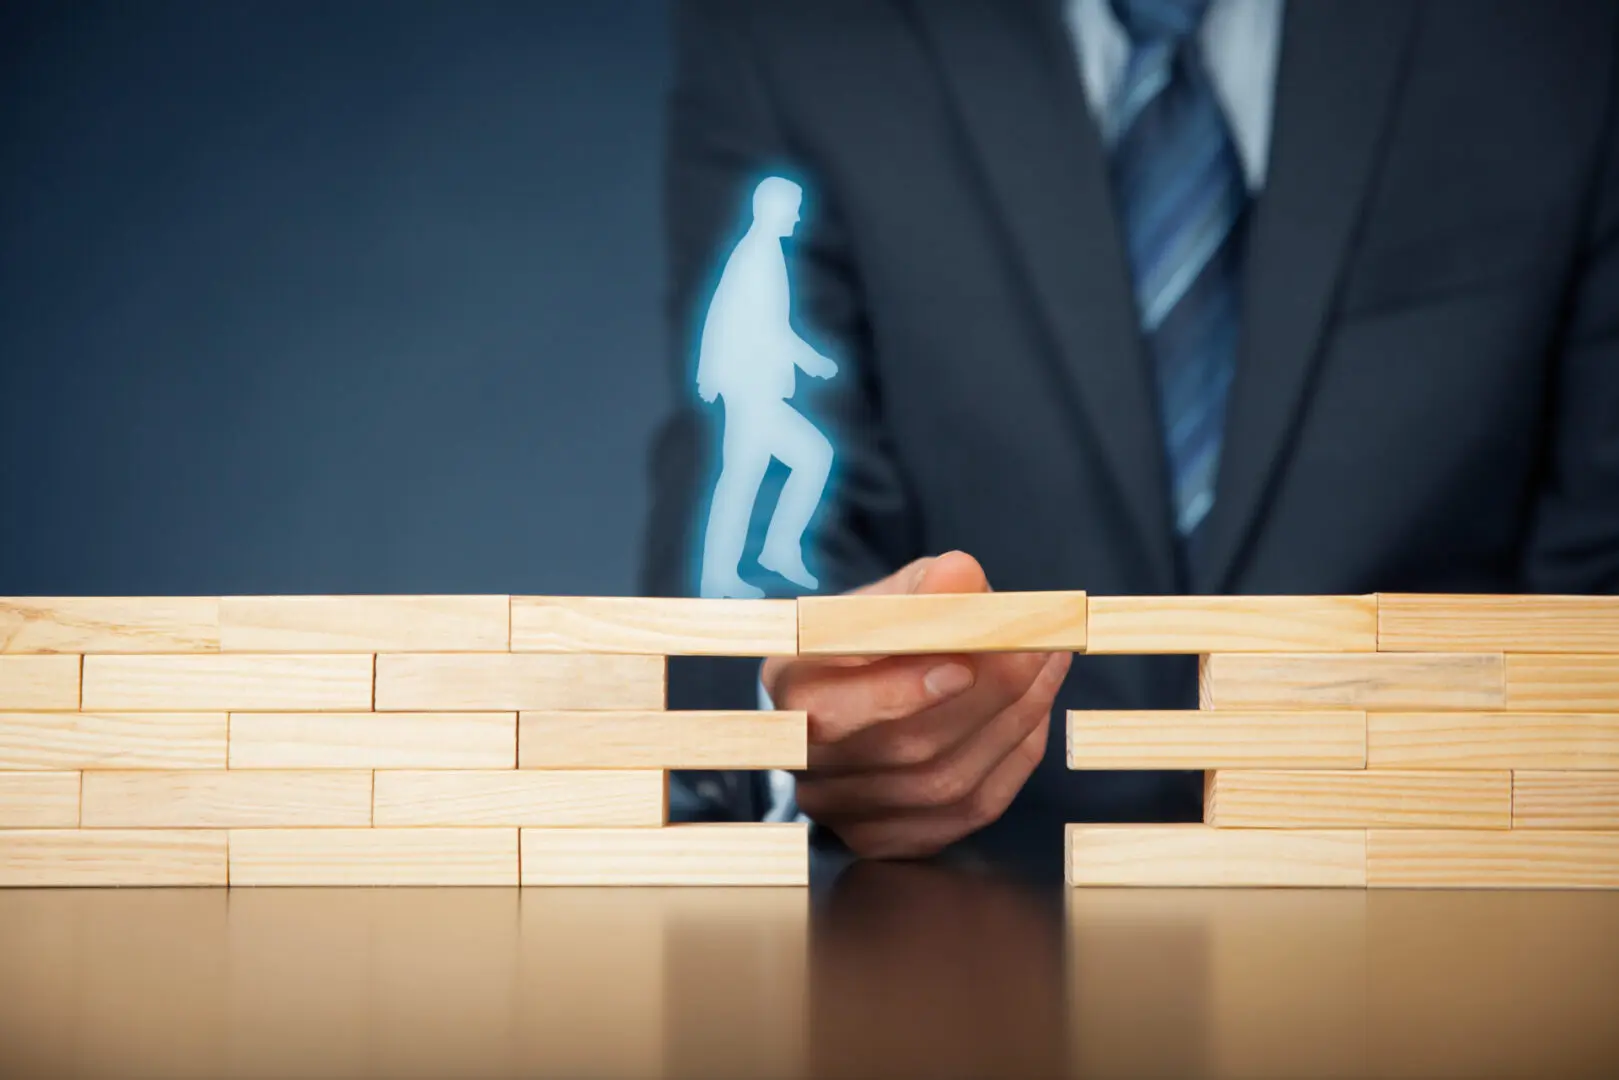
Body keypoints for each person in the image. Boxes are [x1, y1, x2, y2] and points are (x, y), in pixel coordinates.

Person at [641, 0, 1619, 862]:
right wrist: (807, 717)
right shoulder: (792, 30)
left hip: (1444, 926)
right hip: (971, 969)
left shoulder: (1561, 34)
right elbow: (738, 557)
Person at [696, 176, 838, 599]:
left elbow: (748, 322)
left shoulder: (760, 255)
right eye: (791, 207)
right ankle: (733, 570)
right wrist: (812, 360)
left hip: (755, 391)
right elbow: (749, 325)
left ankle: (763, 556)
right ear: (772, 209)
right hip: (752, 393)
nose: (797, 216)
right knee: (763, 472)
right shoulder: (757, 257)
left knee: (774, 469)